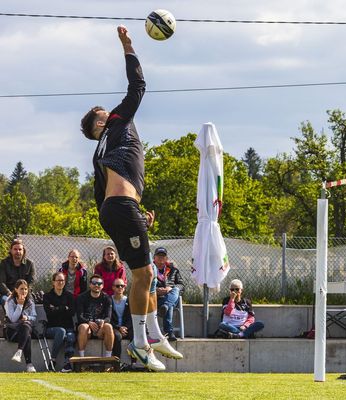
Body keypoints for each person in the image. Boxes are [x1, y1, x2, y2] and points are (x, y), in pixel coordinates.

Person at [79, 25, 181, 371]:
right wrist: (128, 47)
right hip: (121, 208)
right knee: (145, 274)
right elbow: (138, 86)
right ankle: (140, 343)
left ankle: (153, 334)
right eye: (100, 114)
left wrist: (130, 214)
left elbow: (99, 197)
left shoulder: (99, 153)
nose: (107, 111)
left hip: (116, 209)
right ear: (100, 125)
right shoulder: (117, 122)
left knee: (146, 271)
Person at [43, 272, 76, 372]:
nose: (60, 282)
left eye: (62, 280)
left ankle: (67, 364)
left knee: (70, 336)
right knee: (61, 331)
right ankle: (52, 360)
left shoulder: (69, 296)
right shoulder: (47, 296)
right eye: (58, 280)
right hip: (52, 328)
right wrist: (64, 308)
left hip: (68, 326)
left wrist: (56, 309)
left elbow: (72, 312)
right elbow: (49, 313)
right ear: (53, 282)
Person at [75, 274, 114, 358]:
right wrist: (89, 322)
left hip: (101, 328)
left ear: (102, 286)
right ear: (90, 284)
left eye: (99, 283)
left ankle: (108, 358)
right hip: (87, 328)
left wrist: (103, 323)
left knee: (109, 327)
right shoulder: (81, 297)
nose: (97, 285)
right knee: (83, 327)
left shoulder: (107, 298)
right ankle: (81, 358)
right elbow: (79, 316)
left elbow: (108, 317)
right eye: (94, 283)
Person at [5, 279, 37, 372]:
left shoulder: (30, 301)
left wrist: (27, 318)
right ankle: (29, 364)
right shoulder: (9, 301)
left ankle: (19, 352)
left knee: (26, 326)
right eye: (21, 289)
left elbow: (34, 316)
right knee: (27, 335)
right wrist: (19, 305)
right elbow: (13, 319)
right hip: (12, 331)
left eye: (26, 289)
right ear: (16, 289)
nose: (24, 291)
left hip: (25, 329)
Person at [153, 247, 184, 341]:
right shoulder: (150, 269)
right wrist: (156, 290)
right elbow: (144, 285)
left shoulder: (174, 270)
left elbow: (182, 285)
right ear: (154, 257)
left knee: (175, 289)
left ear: (166, 258)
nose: (161, 258)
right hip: (155, 298)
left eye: (163, 256)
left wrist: (169, 288)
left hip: (171, 296)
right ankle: (169, 332)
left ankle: (166, 305)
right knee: (168, 305)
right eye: (159, 256)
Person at [0, 238, 35, 306]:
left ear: (23, 251)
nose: (18, 251)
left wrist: (24, 293)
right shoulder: (4, 263)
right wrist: (10, 294)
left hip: (25, 293)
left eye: (20, 249)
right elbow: (1, 282)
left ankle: (27, 317)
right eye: (15, 249)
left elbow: (31, 282)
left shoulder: (30, 264)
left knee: (31, 302)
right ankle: (10, 317)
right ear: (11, 250)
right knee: (7, 301)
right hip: (8, 293)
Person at [110, 278, 133, 359]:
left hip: (126, 327)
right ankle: (117, 361)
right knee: (117, 336)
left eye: (122, 286)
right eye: (117, 286)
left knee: (134, 335)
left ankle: (134, 362)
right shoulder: (109, 300)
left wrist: (125, 328)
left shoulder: (129, 300)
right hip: (114, 327)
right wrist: (118, 328)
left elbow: (131, 317)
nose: (120, 288)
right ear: (113, 287)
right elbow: (108, 318)